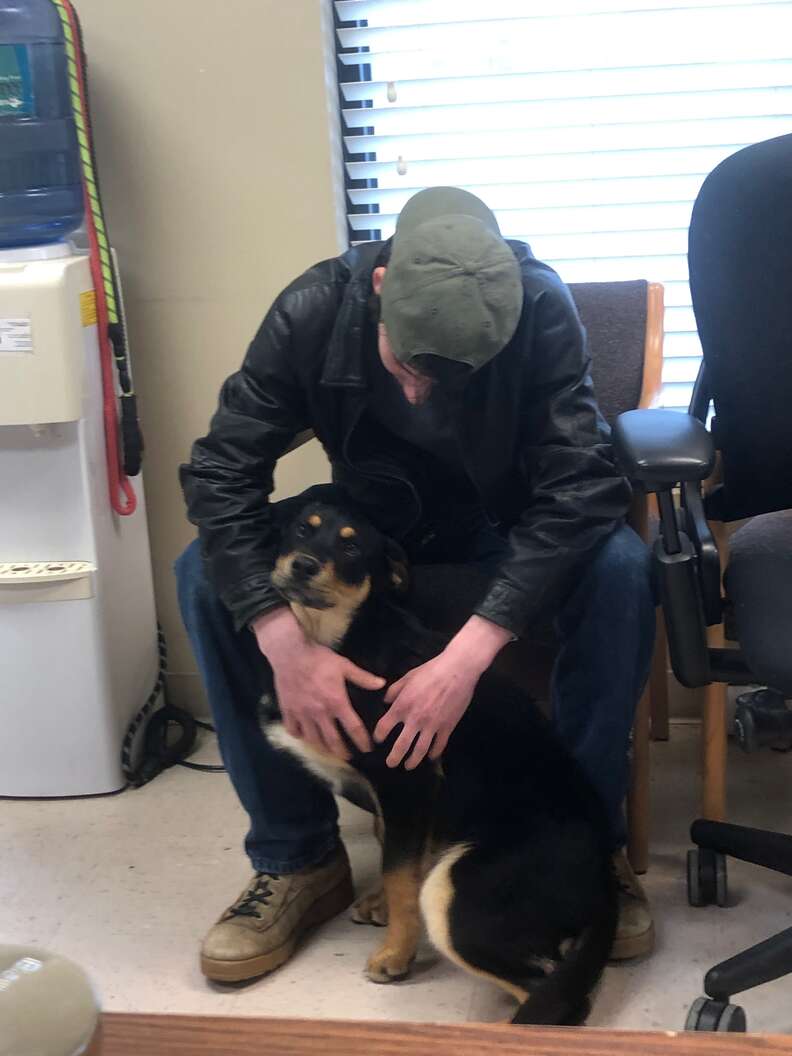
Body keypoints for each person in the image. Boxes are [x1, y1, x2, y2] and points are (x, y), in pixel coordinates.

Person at [177, 187, 656, 985]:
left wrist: (467, 657)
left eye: (454, 376)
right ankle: (297, 859)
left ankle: (585, 846)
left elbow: (579, 488)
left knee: (620, 570)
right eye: (406, 365)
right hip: (375, 529)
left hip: (503, 528)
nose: (420, 392)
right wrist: (279, 636)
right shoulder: (311, 309)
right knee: (203, 576)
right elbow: (221, 472)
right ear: (378, 286)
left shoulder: (540, 307)